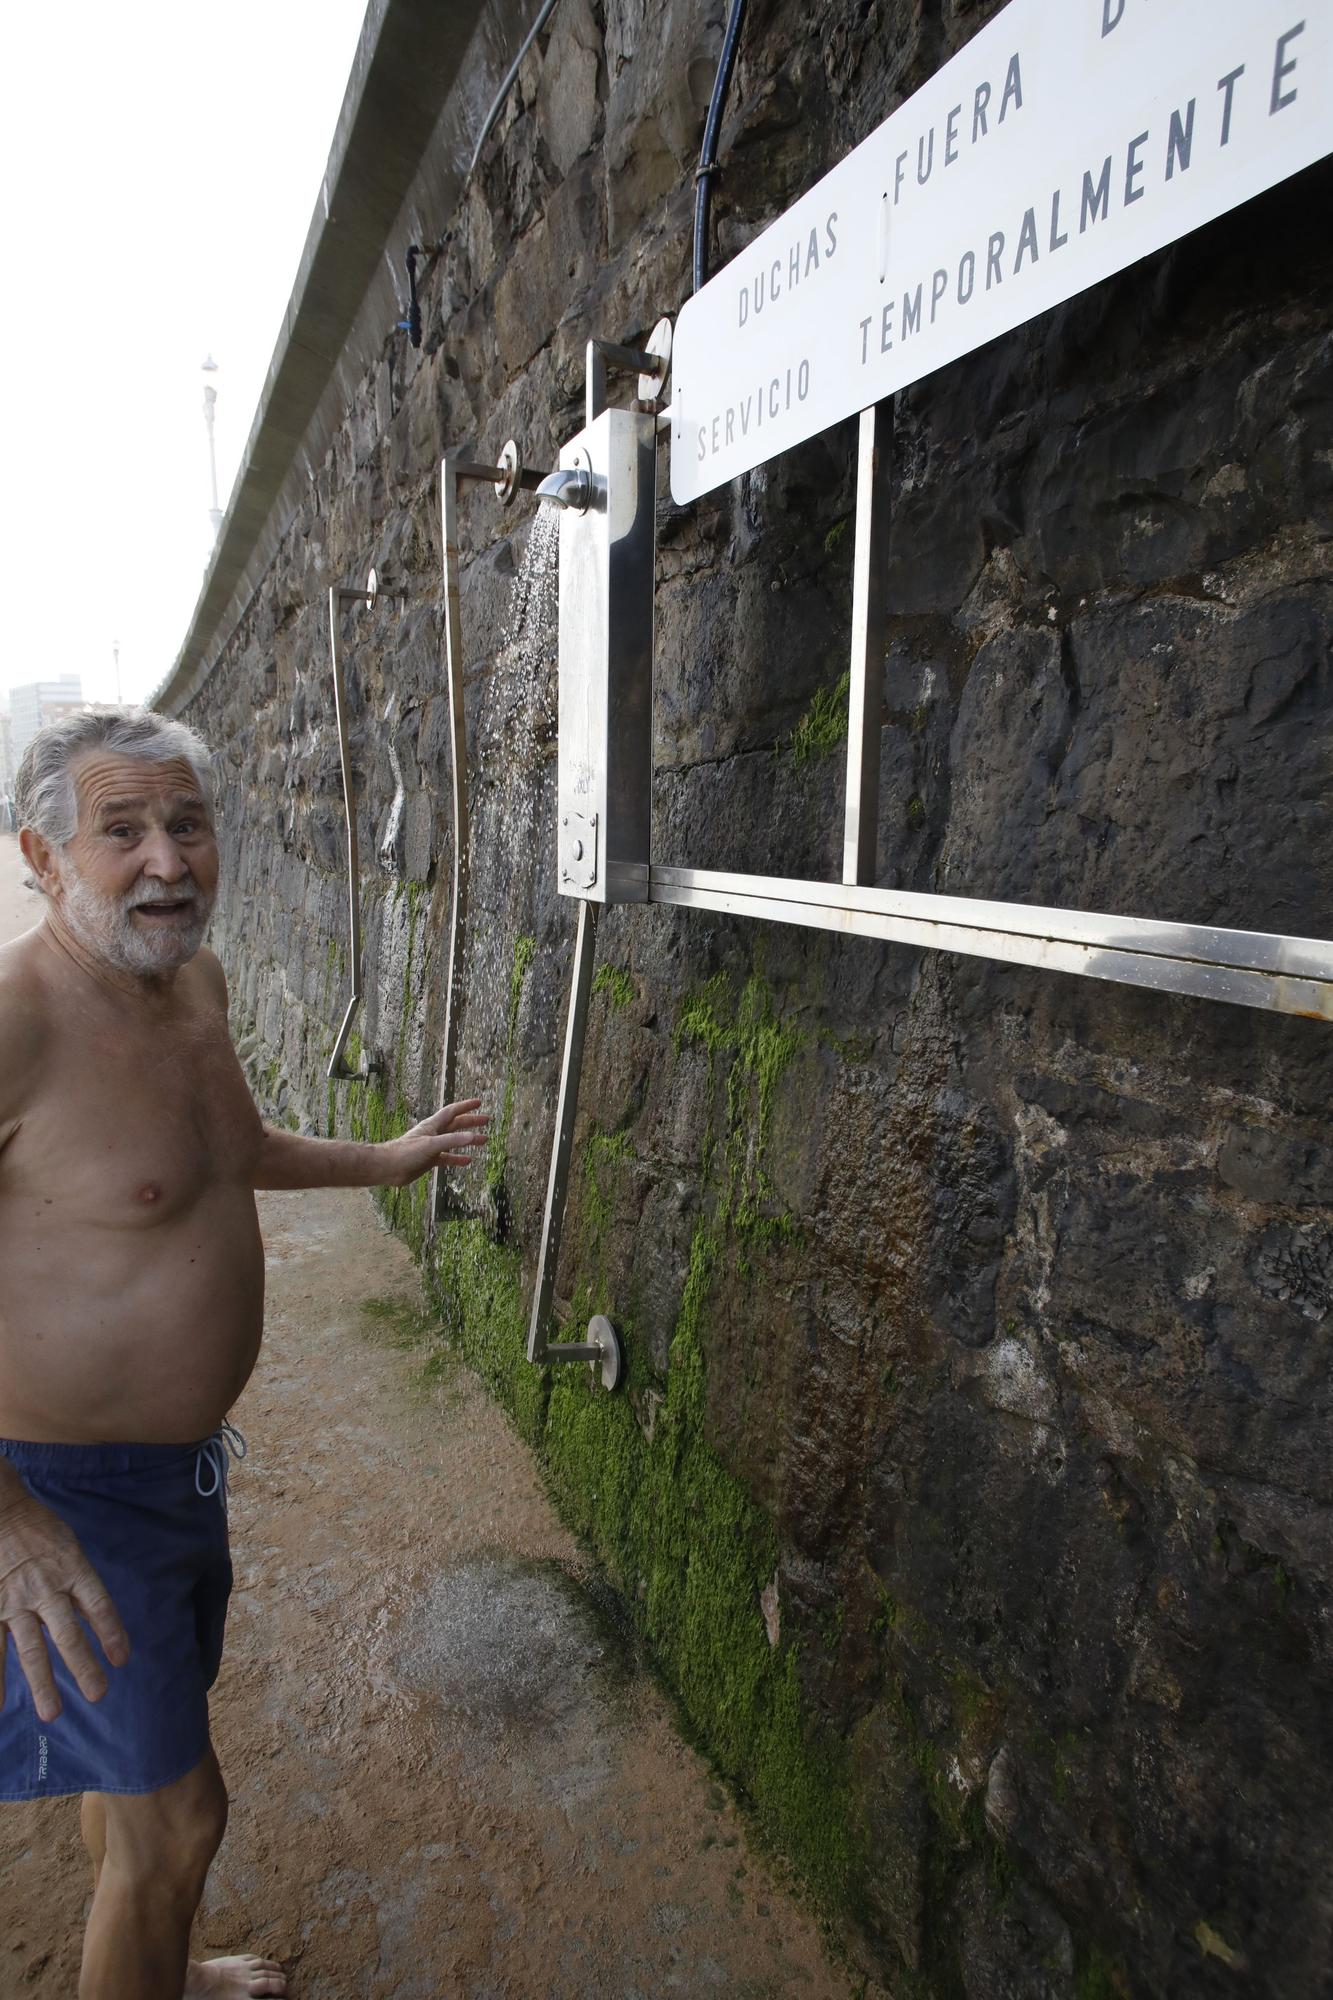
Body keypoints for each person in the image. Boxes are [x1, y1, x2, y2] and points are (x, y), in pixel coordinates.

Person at [0, 707, 489, 1999]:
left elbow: (231, 1155)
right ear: (42, 859)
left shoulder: (189, 982)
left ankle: (165, 1971)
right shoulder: (15, 1024)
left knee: (133, 1783)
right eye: (122, 831)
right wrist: (6, 1522)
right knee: (179, 1824)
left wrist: (382, 1159)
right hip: (58, 1498)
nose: (168, 861)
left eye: (189, 823)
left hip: (176, 1483)